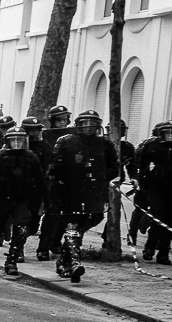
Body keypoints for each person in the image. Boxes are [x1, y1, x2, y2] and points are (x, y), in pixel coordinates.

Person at [46, 109, 118, 284]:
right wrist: (72, 172)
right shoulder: (66, 141)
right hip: (70, 192)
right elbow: (55, 167)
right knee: (72, 225)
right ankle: (75, 263)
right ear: (78, 125)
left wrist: (98, 175)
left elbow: (114, 167)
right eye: (84, 124)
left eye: (92, 124)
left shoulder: (105, 144)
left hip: (94, 192)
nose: (88, 128)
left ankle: (64, 260)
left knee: (91, 221)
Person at [0, 123, 45, 277]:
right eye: (13, 140)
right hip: (1, 198)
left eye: (20, 140)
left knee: (21, 230)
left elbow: (40, 180)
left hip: (22, 199)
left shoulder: (31, 158)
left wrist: (46, 200)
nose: (17, 143)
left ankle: (12, 261)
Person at [134, 121, 172, 264]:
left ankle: (163, 252)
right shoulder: (153, 145)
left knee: (170, 220)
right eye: (168, 133)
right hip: (156, 185)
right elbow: (142, 164)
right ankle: (150, 246)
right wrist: (141, 180)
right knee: (158, 215)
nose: (171, 136)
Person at [36, 104, 73, 259]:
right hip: (52, 179)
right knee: (51, 215)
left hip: (70, 180)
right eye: (59, 120)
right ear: (53, 121)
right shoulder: (45, 137)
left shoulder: (71, 137)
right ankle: (42, 248)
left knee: (67, 216)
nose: (62, 123)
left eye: (65, 119)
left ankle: (55, 243)